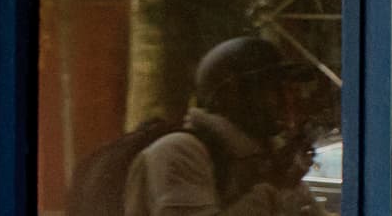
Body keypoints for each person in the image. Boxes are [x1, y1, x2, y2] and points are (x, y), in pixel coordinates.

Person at [124, 36, 327, 216]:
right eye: (273, 90)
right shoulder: (179, 152)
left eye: (289, 91)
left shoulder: (264, 158)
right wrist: (274, 187)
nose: (287, 102)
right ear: (232, 93)